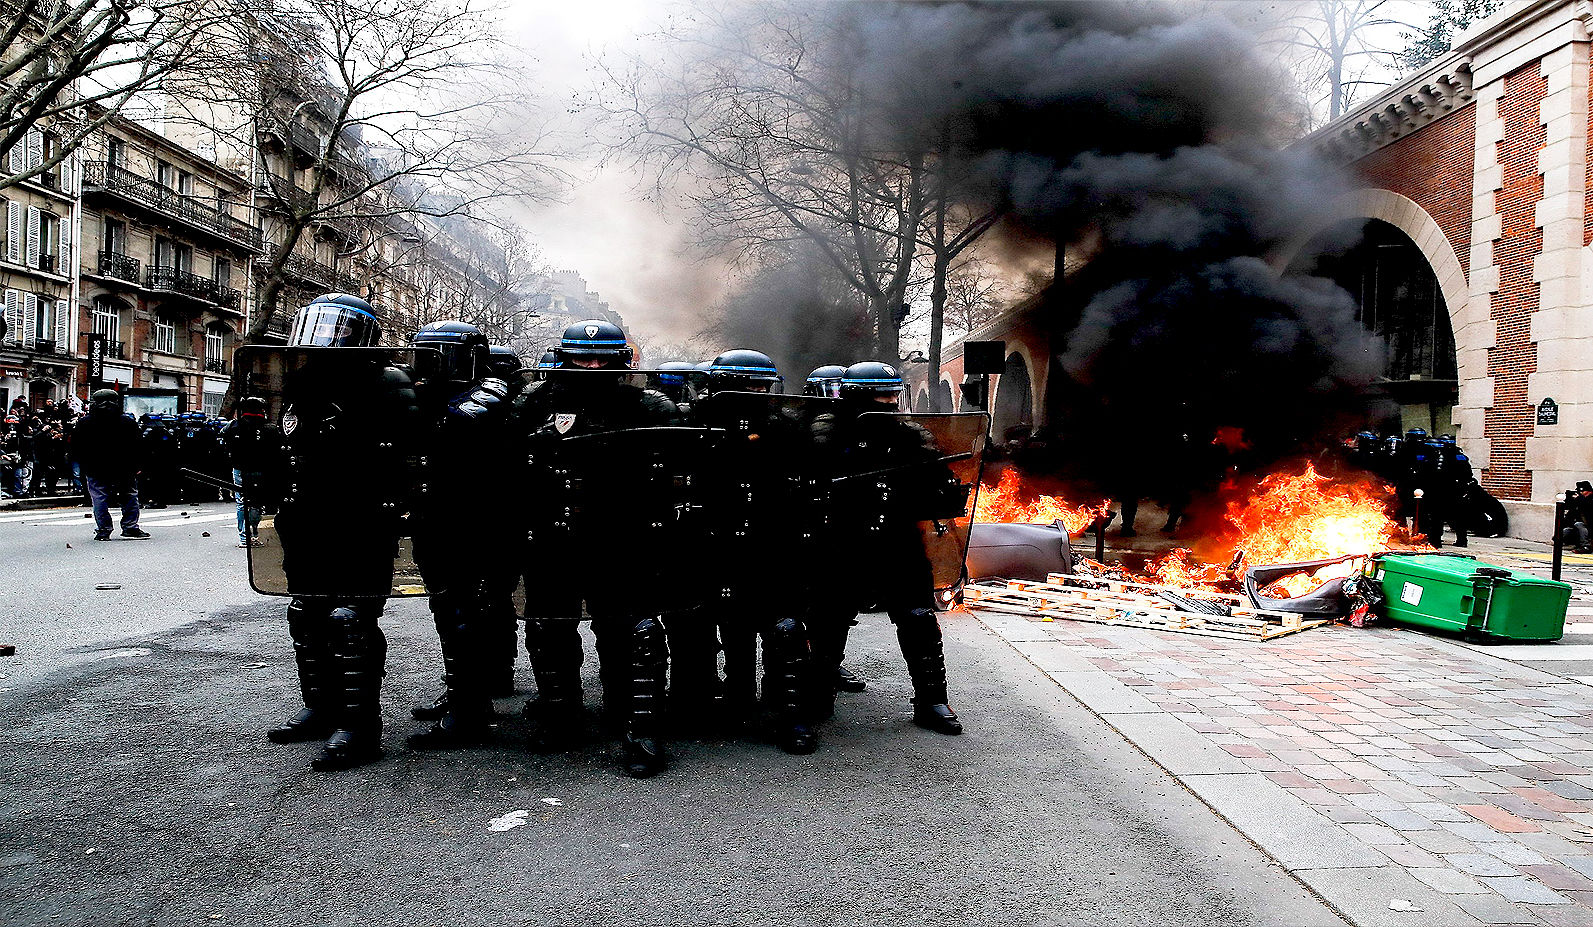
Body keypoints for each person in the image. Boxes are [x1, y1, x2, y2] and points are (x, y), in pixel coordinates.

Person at [512, 318, 684, 777]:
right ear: (564, 359)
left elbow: (680, 464)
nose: (591, 366)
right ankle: (560, 716)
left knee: (631, 630)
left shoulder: (651, 405)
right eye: (582, 358)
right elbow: (502, 457)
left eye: (601, 358)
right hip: (554, 531)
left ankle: (635, 722)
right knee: (549, 626)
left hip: (623, 533)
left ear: (620, 361)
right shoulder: (538, 401)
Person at [265, 293, 424, 772]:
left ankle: (359, 725)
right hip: (307, 516)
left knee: (349, 618)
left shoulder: (389, 383)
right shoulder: (302, 380)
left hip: (360, 519)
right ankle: (321, 706)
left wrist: (392, 506)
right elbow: (290, 441)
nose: (325, 342)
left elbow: (409, 453)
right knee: (307, 613)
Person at [809, 361, 965, 735]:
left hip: (897, 539)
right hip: (841, 539)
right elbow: (811, 480)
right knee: (829, 618)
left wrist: (943, 488)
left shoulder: (910, 434)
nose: (891, 403)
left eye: (894, 395)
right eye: (882, 395)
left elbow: (936, 481)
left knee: (918, 617)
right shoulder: (826, 431)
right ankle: (817, 694)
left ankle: (932, 699)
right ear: (858, 396)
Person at [692, 349, 818, 753]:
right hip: (717, 540)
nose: (753, 392)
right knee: (730, 624)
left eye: (760, 385)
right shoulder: (694, 424)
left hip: (774, 540)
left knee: (783, 627)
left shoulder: (787, 428)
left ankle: (787, 712)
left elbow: (812, 483)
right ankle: (737, 699)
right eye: (744, 384)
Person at [404, 320, 518, 749]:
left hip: (478, 519)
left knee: (465, 611)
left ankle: (468, 710)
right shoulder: (430, 393)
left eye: (439, 355)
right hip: (439, 516)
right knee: (450, 609)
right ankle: (464, 698)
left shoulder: (488, 392)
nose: (428, 364)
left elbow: (450, 428)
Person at [69, 390, 149, 541]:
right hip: (124, 467)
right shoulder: (127, 422)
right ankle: (130, 527)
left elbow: (76, 447)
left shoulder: (85, 422)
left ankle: (104, 530)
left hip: (95, 467)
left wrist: (83, 465)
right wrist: (138, 465)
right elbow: (139, 445)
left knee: (99, 498)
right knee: (129, 496)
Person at [221, 397, 284, 548]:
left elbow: (224, 442)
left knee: (242, 502)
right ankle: (255, 534)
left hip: (240, 469)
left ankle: (244, 537)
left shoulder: (234, 426)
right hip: (262, 469)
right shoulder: (269, 428)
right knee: (257, 502)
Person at [1563, 481, 1593, 553]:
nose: (1580, 493)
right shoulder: (1580, 500)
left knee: (1578, 524)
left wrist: (1579, 499)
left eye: (1581, 491)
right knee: (1566, 531)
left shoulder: (1589, 499)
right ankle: (1573, 544)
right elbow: (1570, 514)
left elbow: (1588, 507)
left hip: (1590, 527)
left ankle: (1586, 546)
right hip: (1580, 528)